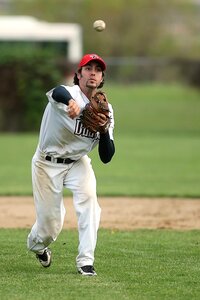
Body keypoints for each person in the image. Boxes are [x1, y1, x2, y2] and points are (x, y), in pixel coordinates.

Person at [27, 53, 115, 276]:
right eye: (87, 68)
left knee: (90, 204)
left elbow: (107, 156)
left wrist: (104, 130)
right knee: (50, 226)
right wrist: (71, 103)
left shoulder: (106, 110)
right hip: (47, 163)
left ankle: (86, 262)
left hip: (77, 162)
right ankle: (38, 246)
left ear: (102, 77)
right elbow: (57, 91)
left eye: (97, 69)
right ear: (78, 74)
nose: (92, 72)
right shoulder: (68, 94)